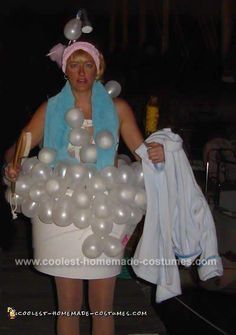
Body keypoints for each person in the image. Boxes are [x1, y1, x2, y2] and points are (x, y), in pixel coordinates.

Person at [3, 40, 164, 335]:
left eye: (88, 65)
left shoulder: (118, 108)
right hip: (61, 208)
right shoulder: (51, 108)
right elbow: (19, 147)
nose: (81, 72)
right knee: (69, 303)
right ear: (65, 69)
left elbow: (142, 152)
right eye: (75, 65)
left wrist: (158, 153)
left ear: (98, 69)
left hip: (105, 211)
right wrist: (13, 165)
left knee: (102, 303)